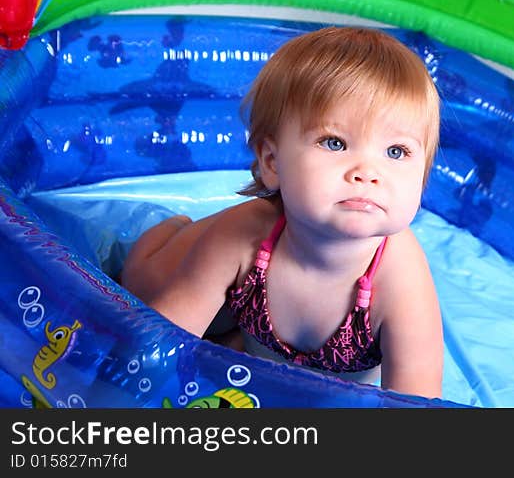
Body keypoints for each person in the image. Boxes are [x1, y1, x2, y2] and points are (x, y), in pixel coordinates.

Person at [121, 26, 444, 400]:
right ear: (272, 162)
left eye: (396, 152)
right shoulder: (241, 238)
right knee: (140, 285)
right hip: (229, 275)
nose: (367, 172)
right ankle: (171, 231)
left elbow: (415, 403)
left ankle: (236, 341)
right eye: (334, 142)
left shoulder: (401, 281)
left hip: (269, 351)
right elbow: (153, 350)